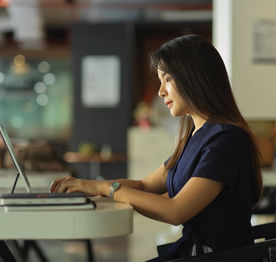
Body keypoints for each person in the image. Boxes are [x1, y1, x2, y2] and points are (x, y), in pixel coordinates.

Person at [50, 34, 263, 261]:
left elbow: (175, 210)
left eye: (168, 79)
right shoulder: (195, 136)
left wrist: (106, 189)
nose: (161, 91)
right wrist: (89, 187)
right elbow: (145, 185)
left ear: (193, 78)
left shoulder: (226, 139)